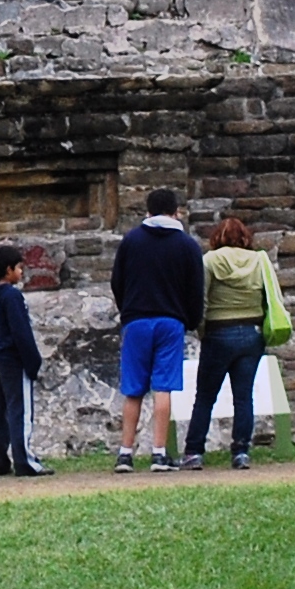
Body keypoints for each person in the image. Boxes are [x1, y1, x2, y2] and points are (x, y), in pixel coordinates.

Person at [183, 212, 291, 469]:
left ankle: (194, 452)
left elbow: (202, 299)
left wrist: (202, 329)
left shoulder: (209, 261)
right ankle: (241, 451)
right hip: (252, 333)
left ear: (216, 237)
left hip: (219, 332)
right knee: (244, 397)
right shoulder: (259, 260)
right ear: (245, 237)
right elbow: (269, 297)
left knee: (206, 396)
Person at [108, 189, 206, 471]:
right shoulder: (186, 245)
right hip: (170, 321)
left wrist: (128, 308)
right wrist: (190, 319)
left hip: (137, 320)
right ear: (176, 211)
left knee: (133, 389)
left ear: (148, 211)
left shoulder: (132, 240)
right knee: (163, 386)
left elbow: (118, 280)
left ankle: (125, 453)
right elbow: (195, 289)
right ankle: (159, 453)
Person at [0, 244, 50, 477]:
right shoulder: (12, 296)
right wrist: (33, 361)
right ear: (8, 270)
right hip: (12, 360)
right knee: (20, 409)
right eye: (19, 268)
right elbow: (21, 332)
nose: (21, 273)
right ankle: (25, 460)